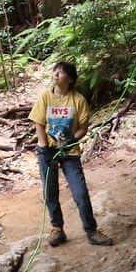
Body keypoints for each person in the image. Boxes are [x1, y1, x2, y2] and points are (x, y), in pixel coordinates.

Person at [29, 61, 113, 247]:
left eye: (61, 72)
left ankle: (91, 230)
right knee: (50, 191)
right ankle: (57, 229)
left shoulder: (78, 100)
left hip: (69, 151)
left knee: (80, 192)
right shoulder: (45, 97)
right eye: (55, 71)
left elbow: (83, 127)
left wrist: (71, 140)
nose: (56, 74)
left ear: (71, 79)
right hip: (47, 151)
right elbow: (39, 123)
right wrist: (43, 146)